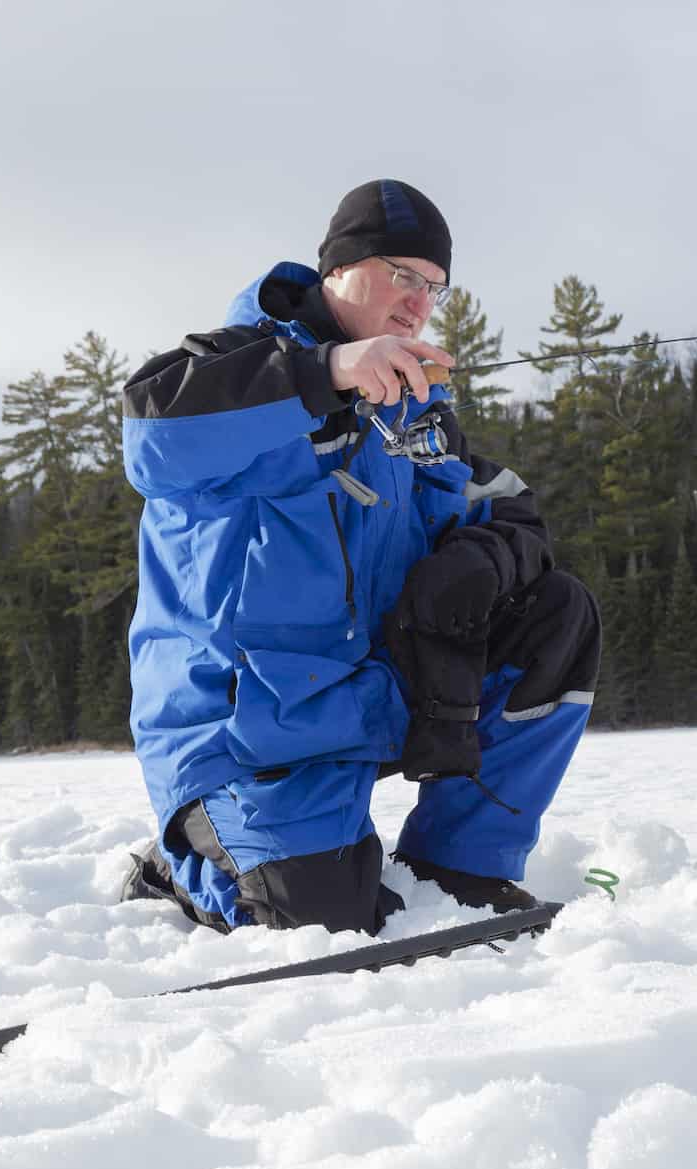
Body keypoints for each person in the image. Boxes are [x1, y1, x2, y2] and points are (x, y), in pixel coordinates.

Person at [118, 179, 601, 935]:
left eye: (435, 287)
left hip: (360, 704)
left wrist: (480, 558)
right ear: (337, 270)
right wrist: (327, 373)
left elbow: (509, 505)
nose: (418, 303)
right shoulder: (243, 370)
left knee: (555, 610)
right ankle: (185, 862)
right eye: (401, 276)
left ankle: (461, 865)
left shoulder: (412, 415)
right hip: (240, 735)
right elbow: (153, 433)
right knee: (321, 921)